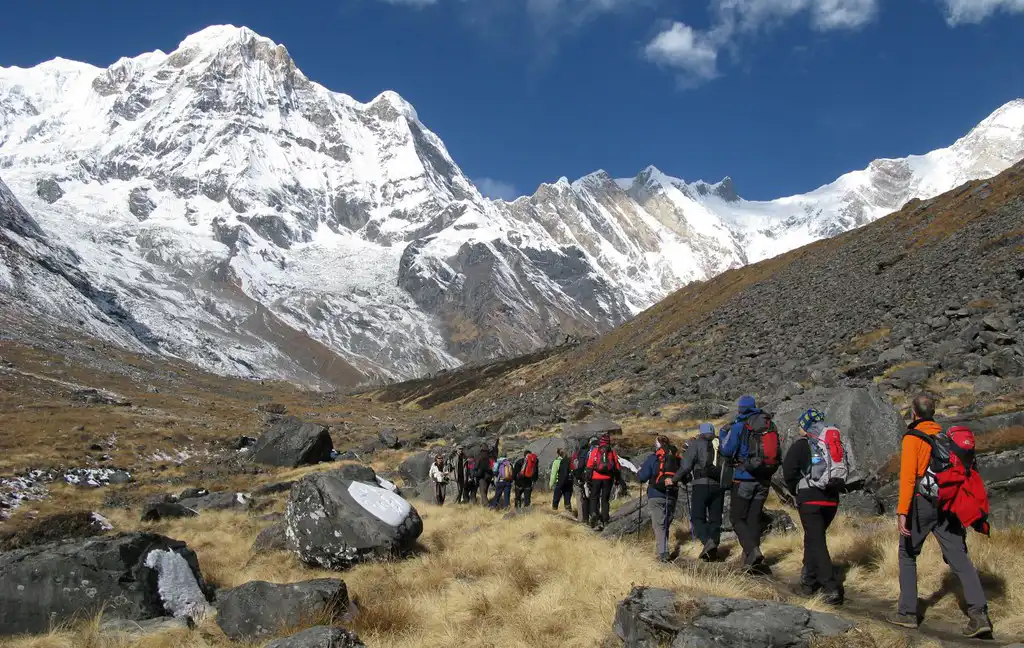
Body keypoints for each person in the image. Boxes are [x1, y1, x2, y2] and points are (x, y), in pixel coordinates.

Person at [887, 394, 992, 637]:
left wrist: (903, 512)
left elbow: (908, 478)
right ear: (933, 412)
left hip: (922, 504)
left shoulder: (913, 438)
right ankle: (979, 615)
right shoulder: (944, 436)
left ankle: (907, 614)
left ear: (914, 413)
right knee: (960, 559)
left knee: (907, 553)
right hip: (948, 504)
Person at [782, 409, 842, 605]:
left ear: (806, 425)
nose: (799, 428)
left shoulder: (801, 445)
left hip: (810, 499)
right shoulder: (833, 442)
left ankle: (830, 587)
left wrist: (796, 489)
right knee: (813, 537)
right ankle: (808, 581)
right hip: (831, 499)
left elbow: (789, 470)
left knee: (817, 541)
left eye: (801, 424)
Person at [719, 395, 778, 572]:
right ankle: (751, 562)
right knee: (753, 517)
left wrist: (723, 434)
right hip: (764, 478)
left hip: (744, 477)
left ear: (741, 409)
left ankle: (752, 552)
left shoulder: (739, 425)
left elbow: (727, 450)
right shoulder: (769, 425)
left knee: (737, 518)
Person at [671, 423, 724, 561]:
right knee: (715, 519)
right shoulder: (720, 444)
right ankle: (713, 550)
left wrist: (675, 479)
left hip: (701, 485)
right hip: (719, 485)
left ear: (701, 432)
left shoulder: (696, 444)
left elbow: (686, 466)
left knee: (697, 518)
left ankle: (708, 542)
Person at [637, 436, 680, 562]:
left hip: (656, 494)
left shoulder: (654, 457)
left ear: (658, 444)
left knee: (659, 525)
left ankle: (663, 553)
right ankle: (663, 550)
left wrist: (639, 472)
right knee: (665, 523)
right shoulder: (676, 458)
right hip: (672, 494)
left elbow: (642, 477)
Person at [586, 434, 622, 531]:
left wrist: (588, 480)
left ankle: (594, 514)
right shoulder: (612, 452)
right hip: (608, 479)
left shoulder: (595, 451)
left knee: (594, 497)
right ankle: (605, 519)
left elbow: (589, 465)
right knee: (605, 499)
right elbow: (617, 467)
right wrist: (617, 480)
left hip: (596, 478)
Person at [573, 439, 595, 523]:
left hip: (583, 478)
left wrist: (578, 478)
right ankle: (593, 515)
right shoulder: (591, 452)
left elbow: (578, 467)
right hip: (593, 478)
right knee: (593, 498)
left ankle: (584, 519)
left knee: (584, 499)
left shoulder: (579, 454)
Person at [476, 443, 495, 508]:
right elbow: (493, 466)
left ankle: (487, 506)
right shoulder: (491, 456)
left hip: (482, 476)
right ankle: (484, 505)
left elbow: (476, 466)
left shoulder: (479, 455)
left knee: (482, 492)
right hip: (489, 476)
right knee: (485, 490)